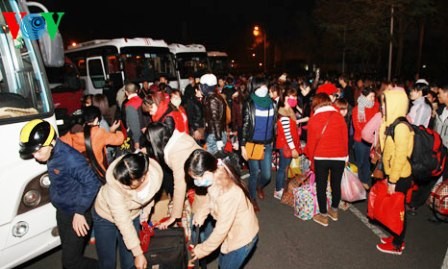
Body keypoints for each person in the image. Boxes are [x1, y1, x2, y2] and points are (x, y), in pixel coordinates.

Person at [19, 119, 100, 269]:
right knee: (70, 254)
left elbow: (93, 183)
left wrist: (80, 211)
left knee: (70, 262)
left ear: (51, 143)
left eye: (38, 151)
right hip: (63, 211)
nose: (36, 157)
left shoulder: (70, 159)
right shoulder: (51, 154)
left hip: (77, 214)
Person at [185, 149, 259, 269]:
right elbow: (212, 198)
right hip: (233, 232)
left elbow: (221, 230)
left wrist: (203, 250)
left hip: (242, 239)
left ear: (207, 172)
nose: (195, 182)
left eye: (197, 178)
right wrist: (202, 213)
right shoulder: (217, 174)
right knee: (223, 263)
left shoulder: (228, 193)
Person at [93, 152, 163, 269]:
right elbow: (123, 221)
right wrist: (138, 253)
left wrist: (145, 214)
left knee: (129, 262)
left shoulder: (155, 177)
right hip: (105, 216)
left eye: (128, 185)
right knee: (107, 263)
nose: (123, 187)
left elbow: (150, 197)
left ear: (143, 177)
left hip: (133, 215)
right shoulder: (115, 186)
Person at [376, 87, 414, 255]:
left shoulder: (401, 127)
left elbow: (400, 156)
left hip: (400, 175)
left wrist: (392, 180)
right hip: (394, 173)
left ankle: (398, 244)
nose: (382, 107)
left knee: (399, 211)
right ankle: (396, 236)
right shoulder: (392, 123)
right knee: (395, 208)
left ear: (396, 105)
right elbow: (386, 149)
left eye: (386, 104)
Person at [143, 122, 202, 229]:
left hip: (205, 184)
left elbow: (180, 185)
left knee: (199, 223)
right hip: (203, 180)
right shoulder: (178, 138)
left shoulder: (175, 152)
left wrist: (173, 217)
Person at [304, 93, 348, 227]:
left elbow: (311, 144)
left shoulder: (314, 119)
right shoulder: (339, 116)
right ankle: (334, 210)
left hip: (321, 156)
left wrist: (310, 159)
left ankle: (323, 215)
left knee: (321, 186)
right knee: (336, 184)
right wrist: (346, 156)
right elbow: (345, 138)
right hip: (339, 156)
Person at [241, 75, 277, 212]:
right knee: (254, 172)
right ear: (254, 88)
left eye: (265, 86)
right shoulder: (250, 103)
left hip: (267, 144)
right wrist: (243, 145)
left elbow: (274, 123)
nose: (263, 89)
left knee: (267, 175)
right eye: (260, 86)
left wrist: (273, 140)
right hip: (253, 143)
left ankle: (259, 186)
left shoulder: (272, 103)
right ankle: (252, 198)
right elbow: (245, 125)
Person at [60, 106, 125, 175]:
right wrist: (115, 130)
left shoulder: (74, 131)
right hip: (96, 171)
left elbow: (61, 142)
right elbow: (119, 139)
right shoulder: (99, 133)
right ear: (97, 119)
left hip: (78, 171)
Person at [274, 86, 301, 199]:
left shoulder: (289, 110)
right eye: (291, 96)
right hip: (286, 145)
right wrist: (293, 148)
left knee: (284, 167)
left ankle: (280, 187)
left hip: (287, 144)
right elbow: (287, 134)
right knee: (282, 168)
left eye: (295, 96)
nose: (294, 99)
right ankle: (278, 190)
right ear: (285, 97)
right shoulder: (284, 113)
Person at [352, 86, 380, 190]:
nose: (373, 99)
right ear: (364, 96)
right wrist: (368, 133)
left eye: (374, 96)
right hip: (361, 140)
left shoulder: (376, 107)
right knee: (361, 161)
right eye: (371, 96)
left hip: (373, 140)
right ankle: (361, 181)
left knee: (370, 161)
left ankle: (366, 178)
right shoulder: (357, 109)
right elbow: (357, 126)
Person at [200, 73, 228, 154]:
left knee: (212, 162)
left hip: (214, 135)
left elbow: (216, 120)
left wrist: (218, 139)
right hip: (215, 134)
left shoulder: (212, 100)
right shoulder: (212, 98)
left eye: (201, 85)